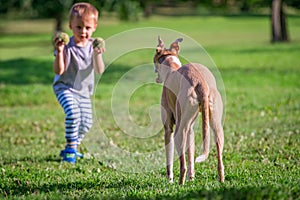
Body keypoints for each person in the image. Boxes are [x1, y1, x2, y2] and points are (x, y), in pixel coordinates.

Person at [52, 2, 105, 163]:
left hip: (83, 91)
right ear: (70, 26)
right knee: (73, 113)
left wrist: (97, 55)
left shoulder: (94, 45)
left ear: (94, 26)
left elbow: (99, 70)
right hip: (65, 88)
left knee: (86, 123)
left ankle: (74, 144)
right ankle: (70, 149)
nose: (83, 31)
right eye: (79, 27)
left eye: (87, 28)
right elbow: (58, 71)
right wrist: (60, 52)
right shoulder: (66, 46)